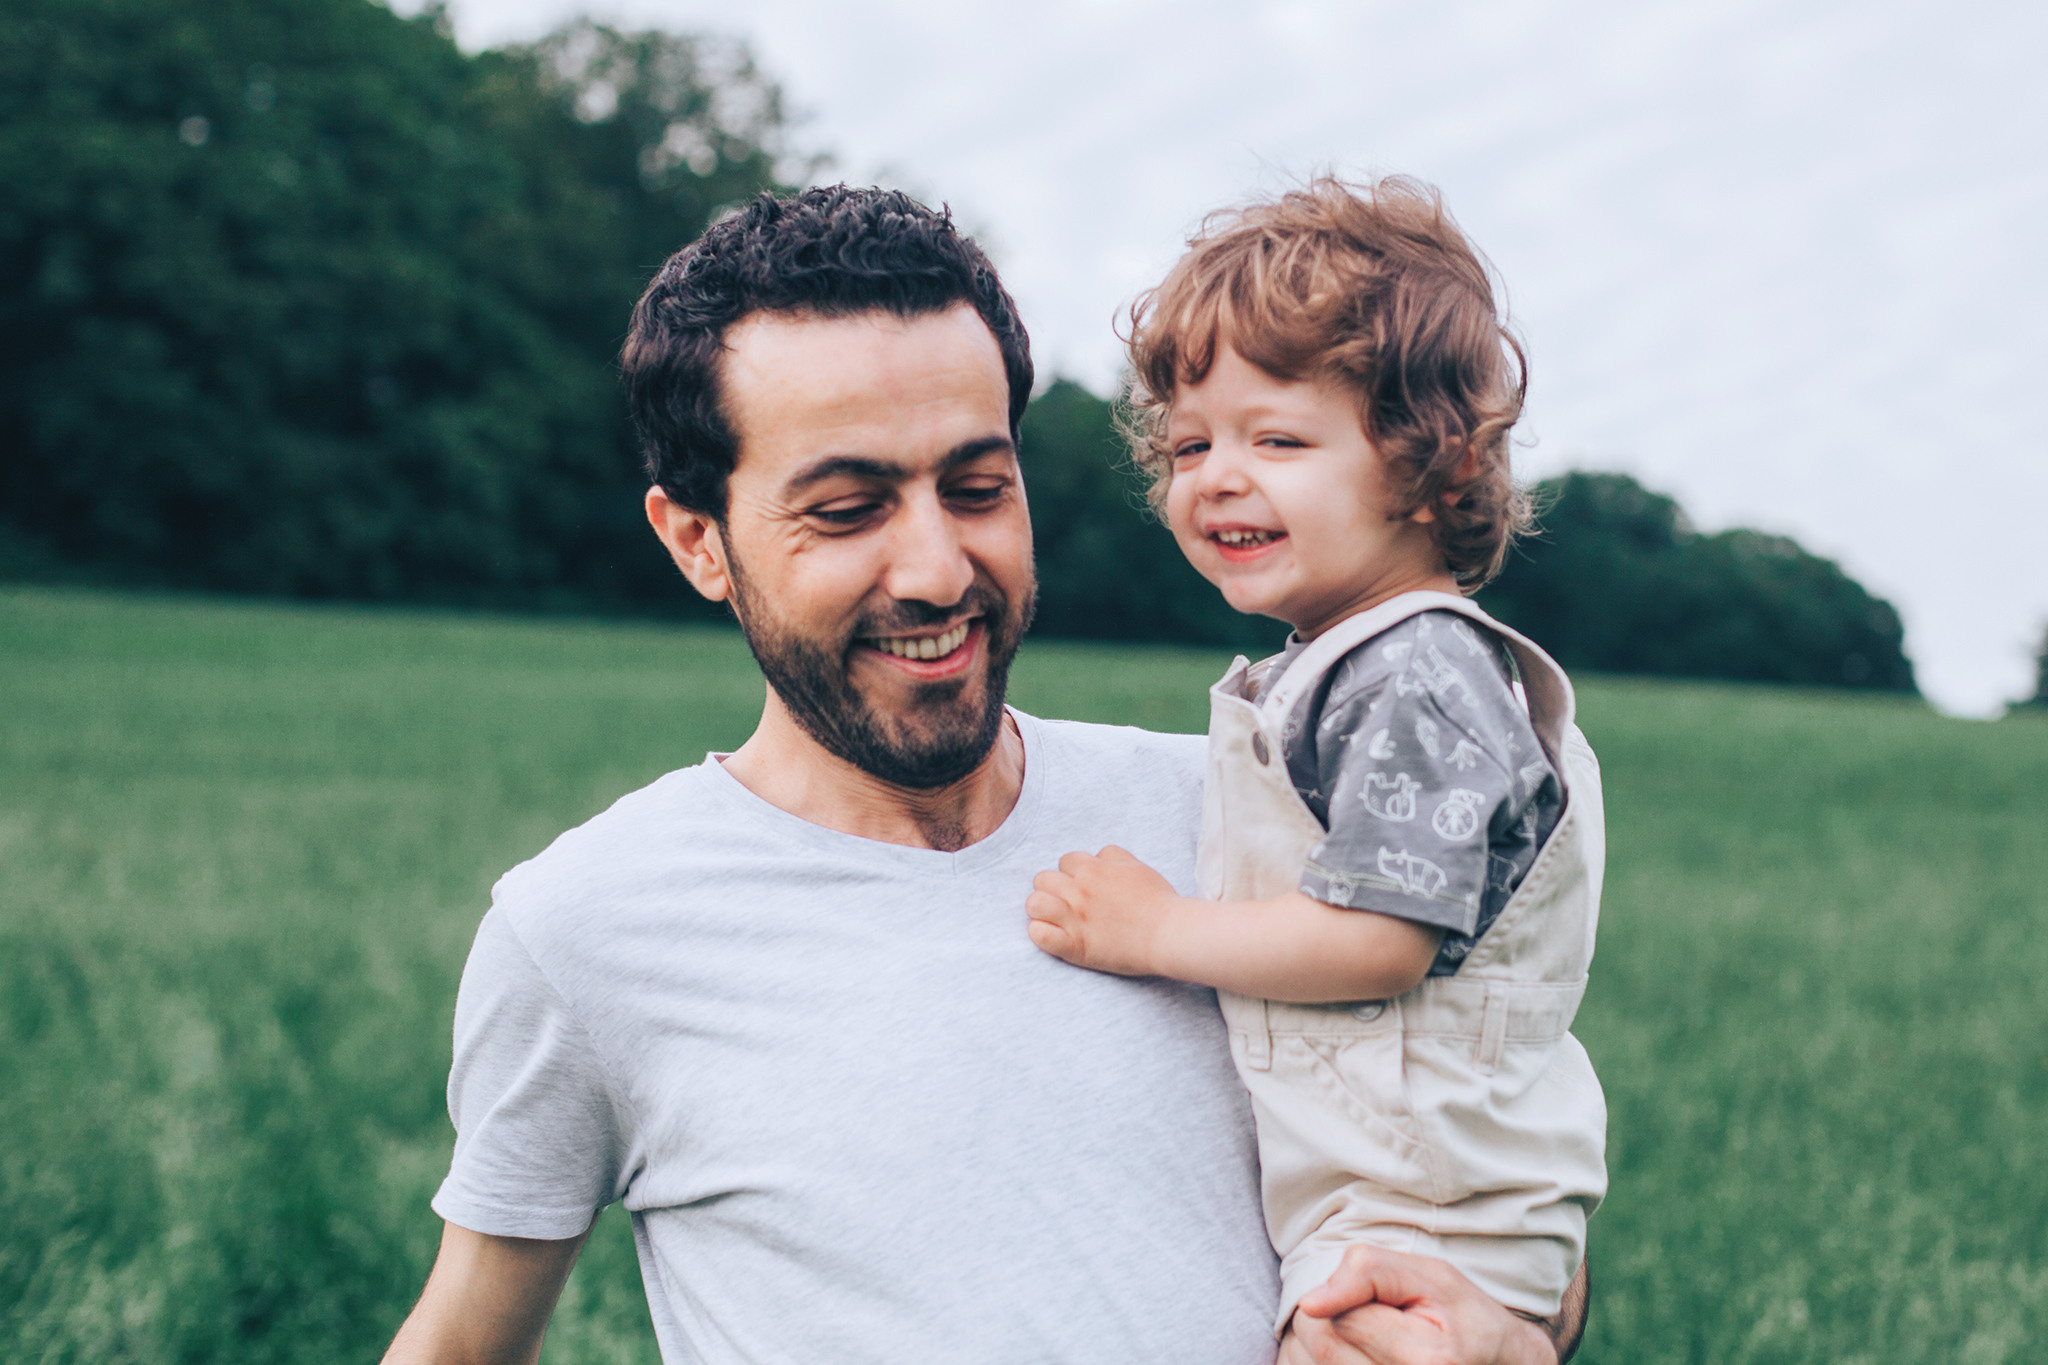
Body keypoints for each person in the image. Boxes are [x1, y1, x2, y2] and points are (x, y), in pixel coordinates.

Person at [381, 185, 1587, 1365]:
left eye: (976, 489)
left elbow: (1477, 1155)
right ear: (697, 540)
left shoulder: (1244, 822)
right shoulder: (588, 932)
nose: (935, 570)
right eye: (847, 509)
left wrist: (1515, 1334)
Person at [1027, 176, 1607, 1340]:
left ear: (1432, 471)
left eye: (1277, 439)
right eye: (1189, 443)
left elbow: (1379, 937)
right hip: (1384, 1180)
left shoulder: (1421, 674)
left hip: (1430, 1196)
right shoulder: (1342, 666)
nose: (1216, 475)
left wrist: (1149, 933)